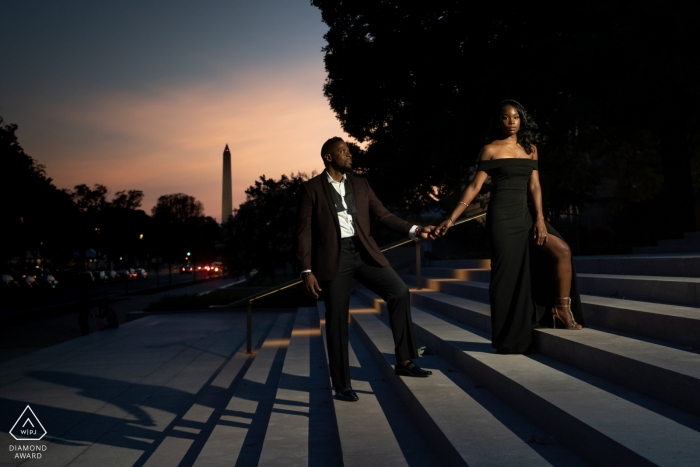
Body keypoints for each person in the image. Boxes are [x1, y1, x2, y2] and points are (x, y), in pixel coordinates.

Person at [434, 100, 585, 354]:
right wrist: (451, 218)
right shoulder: (490, 150)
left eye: (515, 117)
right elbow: (474, 187)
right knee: (506, 277)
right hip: (502, 219)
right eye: (506, 118)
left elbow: (535, 186)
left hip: (526, 216)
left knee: (562, 251)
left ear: (521, 120)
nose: (511, 121)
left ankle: (561, 308)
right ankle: (508, 338)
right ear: (499, 121)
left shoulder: (531, 149)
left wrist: (539, 218)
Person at [297, 137, 436, 402]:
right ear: (328, 157)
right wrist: (306, 270)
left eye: (349, 151)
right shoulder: (311, 189)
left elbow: (383, 215)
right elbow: (304, 232)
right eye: (343, 151)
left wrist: (415, 229)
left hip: (364, 253)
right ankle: (341, 383)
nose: (349, 155)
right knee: (337, 318)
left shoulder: (360, 184)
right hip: (334, 258)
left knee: (398, 292)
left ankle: (405, 361)